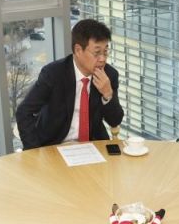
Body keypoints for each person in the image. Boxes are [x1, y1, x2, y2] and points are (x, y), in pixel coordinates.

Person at [16, 18, 124, 149]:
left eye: (105, 52)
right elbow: (24, 112)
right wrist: (35, 151)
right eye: (97, 53)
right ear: (78, 50)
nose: (102, 59)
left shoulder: (109, 75)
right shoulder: (53, 74)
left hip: (93, 146)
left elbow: (115, 120)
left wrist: (108, 94)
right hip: (54, 146)